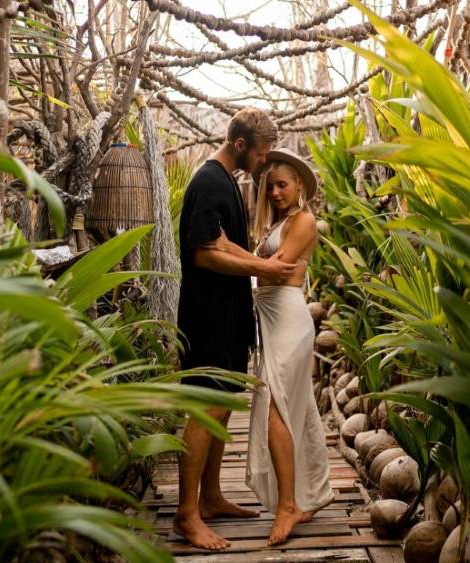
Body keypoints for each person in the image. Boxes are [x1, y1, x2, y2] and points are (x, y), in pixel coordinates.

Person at [173, 108, 299, 551]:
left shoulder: (226, 180)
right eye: (261, 154)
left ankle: (210, 497)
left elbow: (223, 241)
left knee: (222, 407)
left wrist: (256, 264)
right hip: (207, 317)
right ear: (241, 145)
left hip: (228, 319)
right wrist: (263, 265)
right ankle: (187, 514)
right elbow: (202, 252)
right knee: (205, 409)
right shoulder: (208, 181)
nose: (265, 163)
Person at [209, 148, 334, 545]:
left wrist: (227, 248)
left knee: (276, 410)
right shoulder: (278, 221)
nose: (277, 192)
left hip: (289, 322)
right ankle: (311, 495)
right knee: (300, 409)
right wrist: (227, 246)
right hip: (272, 321)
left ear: (299, 185)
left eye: (283, 185)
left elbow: (275, 267)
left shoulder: (305, 221)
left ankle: (287, 506)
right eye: (271, 186)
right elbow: (261, 266)